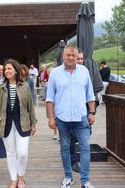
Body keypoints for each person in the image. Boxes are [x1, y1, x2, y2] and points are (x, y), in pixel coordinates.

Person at [46, 45, 96, 188]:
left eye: (73, 55)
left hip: (81, 118)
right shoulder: (55, 73)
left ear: (77, 57)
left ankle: (85, 181)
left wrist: (92, 112)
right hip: (62, 119)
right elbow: (50, 98)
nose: (71, 58)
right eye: (68, 55)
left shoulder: (84, 71)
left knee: (85, 148)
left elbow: (90, 95)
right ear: (63, 56)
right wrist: (50, 118)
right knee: (65, 149)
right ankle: (68, 177)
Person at [0, 59, 37, 188]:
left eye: (9, 69)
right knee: (10, 153)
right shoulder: (0, 88)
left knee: (22, 152)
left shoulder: (25, 87)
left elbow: (30, 107)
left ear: (16, 70)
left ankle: (21, 175)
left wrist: (34, 123)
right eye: (5, 69)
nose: (6, 71)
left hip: (23, 123)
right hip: (5, 124)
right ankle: (14, 179)